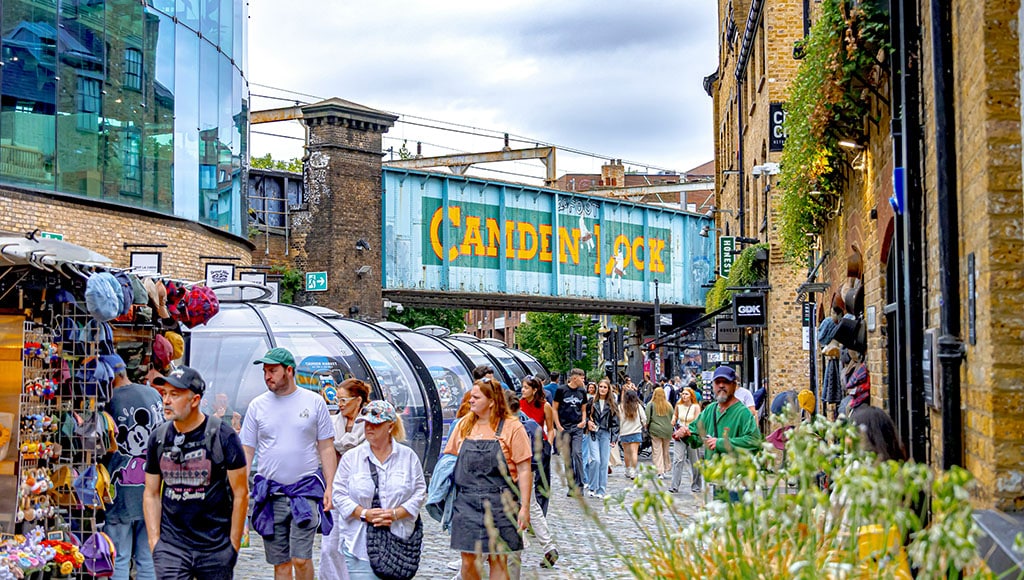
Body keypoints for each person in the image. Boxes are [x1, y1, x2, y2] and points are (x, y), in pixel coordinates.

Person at [142, 366, 248, 580]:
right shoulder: (159, 438)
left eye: (175, 394)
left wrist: (233, 545)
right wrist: (155, 543)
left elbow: (241, 493)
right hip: (172, 549)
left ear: (195, 400)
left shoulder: (223, 436)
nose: (166, 401)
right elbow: (150, 492)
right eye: (164, 394)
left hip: (214, 547)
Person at [241, 348, 338, 580]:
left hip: (304, 491)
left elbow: (326, 446)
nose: (267, 376)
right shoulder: (257, 406)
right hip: (270, 492)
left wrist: (330, 486)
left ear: (289, 371)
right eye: (265, 371)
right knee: (281, 563)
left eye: (273, 371)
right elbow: (246, 449)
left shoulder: (314, 402)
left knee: (301, 559)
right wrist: (240, 489)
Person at [445, 378, 532, 580]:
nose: (471, 401)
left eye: (476, 397)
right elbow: (449, 459)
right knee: (468, 560)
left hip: (501, 502)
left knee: (498, 559)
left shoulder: (512, 427)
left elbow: (524, 469)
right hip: (467, 502)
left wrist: (525, 507)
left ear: (491, 401)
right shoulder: (463, 426)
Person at [333, 401, 426, 579]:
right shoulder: (351, 458)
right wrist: (363, 513)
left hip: (400, 540)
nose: (369, 428)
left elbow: (419, 492)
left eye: (375, 424)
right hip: (358, 542)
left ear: (390, 426)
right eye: (366, 424)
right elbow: (339, 493)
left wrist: (396, 513)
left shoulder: (408, 457)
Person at [106, 355, 163, 580]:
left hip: (121, 493)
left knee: (118, 556)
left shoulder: (110, 401)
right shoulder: (154, 395)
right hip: (153, 489)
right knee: (147, 559)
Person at [676, 366, 762, 500]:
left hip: (738, 478)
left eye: (726, 382)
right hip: (718, 478)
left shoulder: (742, 413)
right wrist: (686, 434)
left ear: (734, 385)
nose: (721, 386)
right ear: (713, 385)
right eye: (718, 382)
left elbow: (755, 441)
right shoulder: (710, 410)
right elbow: (696, 436)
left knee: (736, 519)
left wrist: (721, 443)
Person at [320, 378, 372, 580]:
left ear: (358, 401)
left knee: (357, 544)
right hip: (336, 486)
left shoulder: (369, 423)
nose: (339, 405)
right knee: (329, 545)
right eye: (338, 400)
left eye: (344, 400)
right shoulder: (333, 423)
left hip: (361, 489)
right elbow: (325, 451)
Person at [506, 391, 558, 570]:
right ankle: (548, 545)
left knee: (513, 509)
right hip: (530, 469)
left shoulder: (509, 426)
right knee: (532, 506)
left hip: (514, 473)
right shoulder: (527, 422)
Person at [519, 377, 555, 515]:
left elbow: (551, 429)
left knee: (541, 481)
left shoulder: (545, 405)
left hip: (540, 446)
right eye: (523, 387)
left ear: (534, 390)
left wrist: (548, 445)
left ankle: (540, 514)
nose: (523, 390)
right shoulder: (519, 404)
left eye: (526, 388)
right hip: (523, 445)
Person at [552, 368, 588, 494]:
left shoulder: (582, 391)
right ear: (574, 378)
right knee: (567, 457)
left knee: (577, 453)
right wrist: (558, 425)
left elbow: (584, 409)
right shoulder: (561, 390)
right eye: (582, 378)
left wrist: (583, 421)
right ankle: (571, 486)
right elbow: (554, 408)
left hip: (577, 427)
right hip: (564, 427)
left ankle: (580, 484)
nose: (583, 380)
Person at [585, 380, 619, 498]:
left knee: (604, 463)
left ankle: (601, 489)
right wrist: (588, 422)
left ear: (608, 389)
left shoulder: (612, 404)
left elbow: (615, 423)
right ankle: (592, 486)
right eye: (601, 387)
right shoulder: (592, 402)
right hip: (593, 433)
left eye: (605, 387)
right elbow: (584, 416)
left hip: (605, 433)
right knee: (595, 460)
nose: (602, 389)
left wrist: (614, 438)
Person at [669, 386, 702, 493]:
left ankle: (696, 485)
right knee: (678, 460)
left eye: (686, 394)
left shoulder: (696, 407)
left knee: (695, 461)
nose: (684, 396)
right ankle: (674, 485)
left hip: (691, 435)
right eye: (683, 394)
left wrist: (688, 429)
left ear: (691, 395)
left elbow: (697, 421)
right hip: (680, 435)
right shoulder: (679, 405)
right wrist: (673, 420)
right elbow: (675, 415)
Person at [645, 387, 674, 479]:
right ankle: (666, 468)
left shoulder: (651, 405)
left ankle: (659, 471)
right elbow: (672, 417)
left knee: (657, 451)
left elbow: (647, 419)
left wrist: (646, 428)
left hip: (655, 430)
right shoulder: (669, 405)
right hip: (668, 431)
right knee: (666, 450)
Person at [618, 389, 646, 479]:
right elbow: (644, 418)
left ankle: (627, 469)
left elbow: (618, 420)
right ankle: (633, 471)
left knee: (626, 453)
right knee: (634, 452)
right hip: (636, 431)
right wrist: (643, 425)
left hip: (624, 432)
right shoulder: (638, 406)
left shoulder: (621, 407)